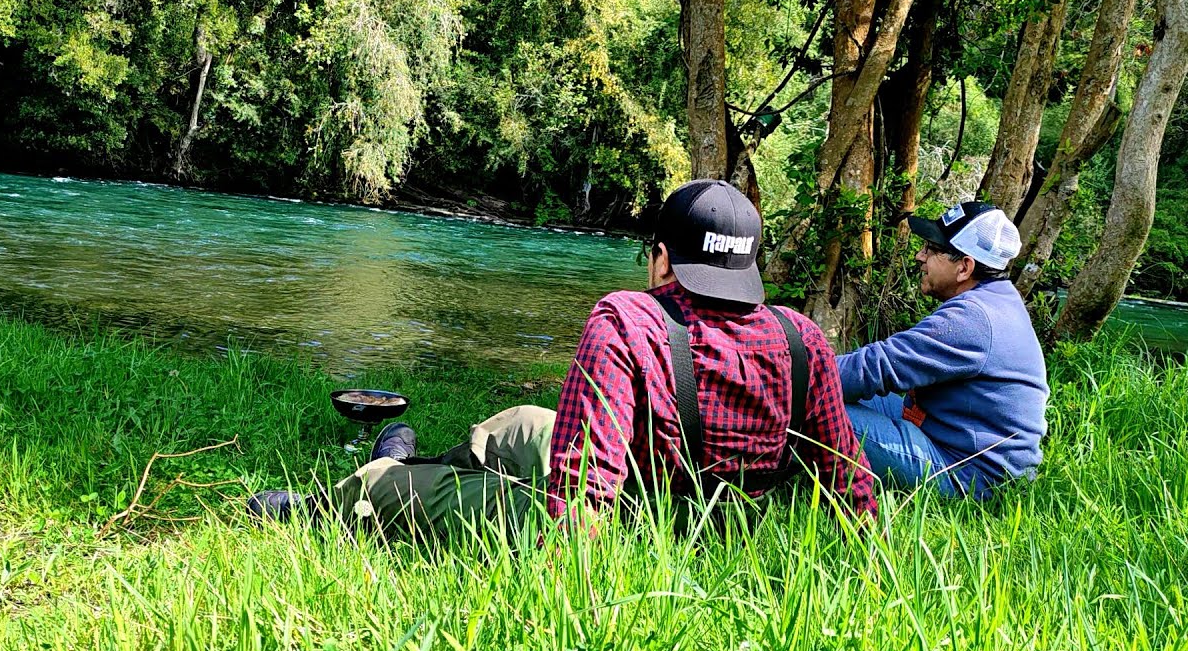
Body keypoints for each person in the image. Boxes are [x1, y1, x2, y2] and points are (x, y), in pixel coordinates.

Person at [247, 180, 877, 535]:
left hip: (628, 531)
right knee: (519, 421)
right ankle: (446, 458)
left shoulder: (627, 322)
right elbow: (851, 481)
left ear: (662, 258)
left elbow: (583, 505)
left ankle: (349, 496)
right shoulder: (803, 338)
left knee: (399, 490)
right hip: (709, 521)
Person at [837, 202, 1049, 499]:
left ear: (964, 267)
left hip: (972, 475)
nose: (919, 256)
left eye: (931, 249)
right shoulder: (996, 298)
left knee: (812, 407)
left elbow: (876, 367)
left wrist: (789, 374)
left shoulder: (973, 318)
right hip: (948, 437)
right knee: (824, 393)